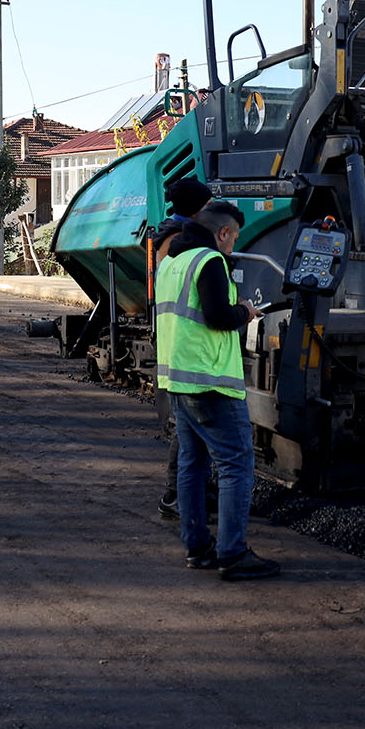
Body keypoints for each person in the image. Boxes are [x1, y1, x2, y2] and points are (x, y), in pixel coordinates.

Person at [154, 199, 279, 580]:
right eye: (234, 237)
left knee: (192, 464)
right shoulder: (210, 262)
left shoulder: (171, 262)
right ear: (222, 233)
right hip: (210, 382)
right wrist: (246, 311)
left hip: (178, 379)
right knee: (236, 465)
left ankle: (198, 547)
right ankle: (233, 553)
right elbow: (217, 317)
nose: (234, 244)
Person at [156, 175, 213, 520]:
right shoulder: (178, 241)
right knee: (188, 430)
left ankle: (186, 494)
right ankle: (176, 495)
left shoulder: (171, 236)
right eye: (207, 206)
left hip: (180, 345)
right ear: (194, 210)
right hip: (184, 348)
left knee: (190, 429)